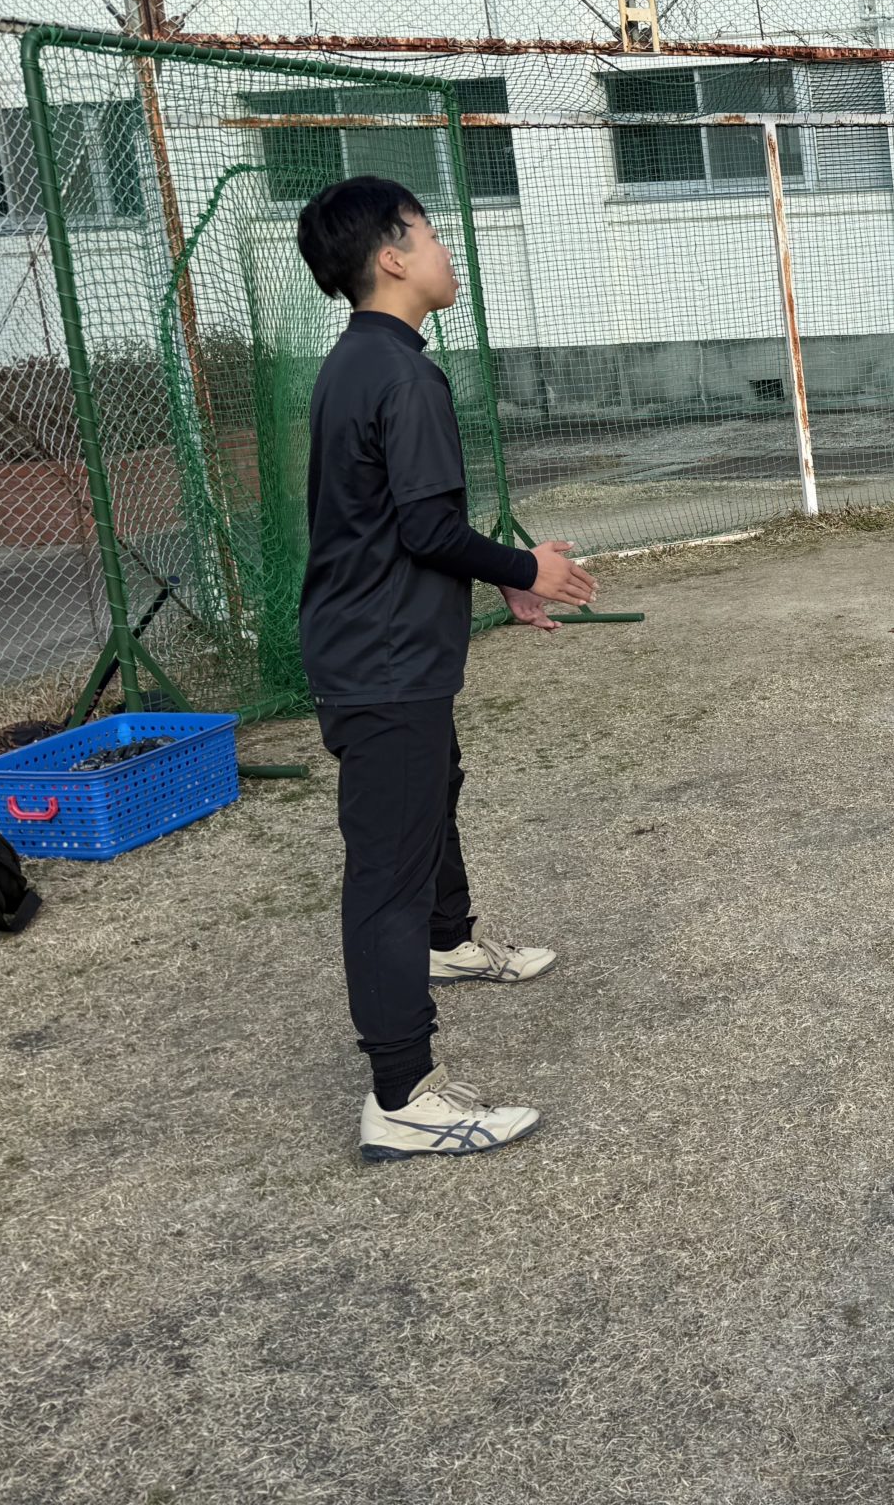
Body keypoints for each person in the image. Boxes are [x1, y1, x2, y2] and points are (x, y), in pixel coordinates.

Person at [296, 175, 597, 1160]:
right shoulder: (402, 376)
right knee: (386, 869)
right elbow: (426, 527)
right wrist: (528, 568)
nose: (444, 249)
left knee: (435, 790)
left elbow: (398, 523)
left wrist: (501, 581)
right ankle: (401, 1096)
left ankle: (451, 941)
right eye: (427, 233)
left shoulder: (358, 362)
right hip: (382, 659)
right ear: (391, 256)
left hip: (381, 650)